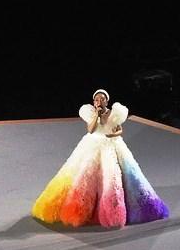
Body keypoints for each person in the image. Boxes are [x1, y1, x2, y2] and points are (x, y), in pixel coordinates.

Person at [32, 89, 169, 229]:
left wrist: (116, 133)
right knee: (85, 176)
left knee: (114, 176)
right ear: (94, 102)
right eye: (97, 99)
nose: (99, 101)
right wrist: (96, 116)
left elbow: (119, 128)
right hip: (93, 145)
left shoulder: (114, 114)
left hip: (112, 146)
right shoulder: (91, 114)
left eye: (102, 99)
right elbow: (91, 130)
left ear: (106, 101)